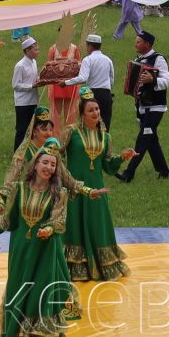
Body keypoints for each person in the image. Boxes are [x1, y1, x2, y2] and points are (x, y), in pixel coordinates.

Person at [0, 139, 78, 337]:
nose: (49, 168)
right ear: (36, 163)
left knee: (40, 291)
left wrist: (49, 229)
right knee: (19, 287)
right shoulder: (19, 189)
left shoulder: (59, 193)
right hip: (21, 249)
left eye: (53, 164)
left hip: (45, 251)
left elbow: (59, 220)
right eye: (45, 163)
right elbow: (7, 221)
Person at [61, 90, 131, 282]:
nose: (96, 113)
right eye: (91, 110)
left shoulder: (105, 137)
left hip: (97, 188)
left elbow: (108, 166)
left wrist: (122, 158)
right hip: (74, 190)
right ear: (82, 114)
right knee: (73, 226)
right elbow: (57, 157)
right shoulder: (71, 132)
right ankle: (73, 267)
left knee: (97, 225)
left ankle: (100, 266)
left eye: (97, 109)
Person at [114, 30, 169, 181]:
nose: (135, 44)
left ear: (147, 44)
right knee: (152, 140)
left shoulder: (158, 59)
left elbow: (167, 82)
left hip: (156, 106)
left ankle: (128, 173)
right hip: (142, 106)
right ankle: (164, 171)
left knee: (143, 139)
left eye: (138, 42)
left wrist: (152, 80)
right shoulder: (138, 59)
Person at [69, 31, 115, 127]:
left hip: (91, 95)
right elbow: (111, 79)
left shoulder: (88, 59)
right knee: (105, 124)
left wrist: (65, 82)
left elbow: (83, 78)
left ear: (90, 46)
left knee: (91, 124)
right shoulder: (108, 59)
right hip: (106, 94)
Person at [10, 36, 42, 151]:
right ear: (27, 51)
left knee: (32, 128)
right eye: (35, 49)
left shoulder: (34, 62)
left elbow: (33, 77)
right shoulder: (20, 65)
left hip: (33, 100)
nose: (37, 51)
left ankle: (29, 150)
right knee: (22, 129)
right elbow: (16, 85)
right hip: (23, 103)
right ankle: (17, 152)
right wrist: (31, 86)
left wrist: (40, 80)